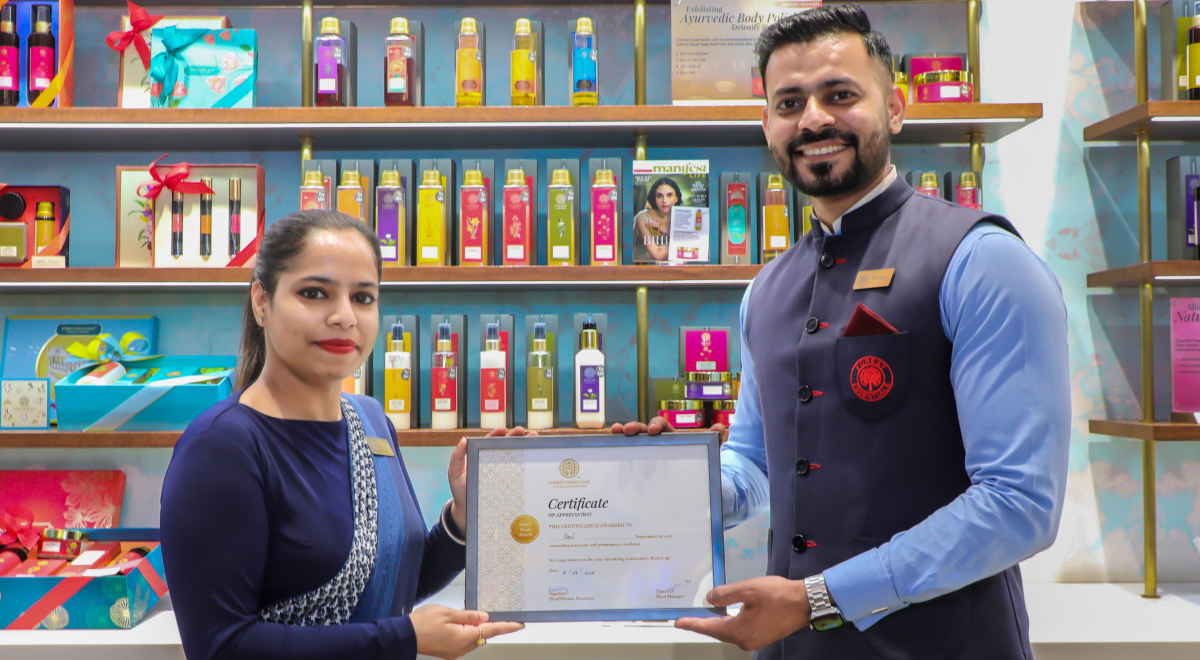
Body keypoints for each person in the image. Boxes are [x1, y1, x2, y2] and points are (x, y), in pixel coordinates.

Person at [614, 6, 1069, 659]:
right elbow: (753, 467)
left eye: (840, 95)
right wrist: (655, 482)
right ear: (768, 124)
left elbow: (1019, 502)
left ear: (896, 108)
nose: (814, 119)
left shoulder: (982, 260)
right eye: (790, 101)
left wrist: (818, 598)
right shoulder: (765, 291)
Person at [160, 211, 524, 660]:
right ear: (261, 301)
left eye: (363, 297)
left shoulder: (371, 420)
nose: (344, 316)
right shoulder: (221, 448)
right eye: (314, 293)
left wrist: (463, 520)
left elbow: (389, 581)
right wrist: (405, 639)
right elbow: (222, 647)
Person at [633, 177, 681, 262]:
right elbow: (657, 255)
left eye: (669, 195)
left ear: (676, 198)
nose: (664, 200)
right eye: (659, 196)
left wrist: (664, 230)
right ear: (654, 199)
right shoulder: (643, 217)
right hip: (645, 269)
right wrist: (682, 242)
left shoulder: (682, 217)